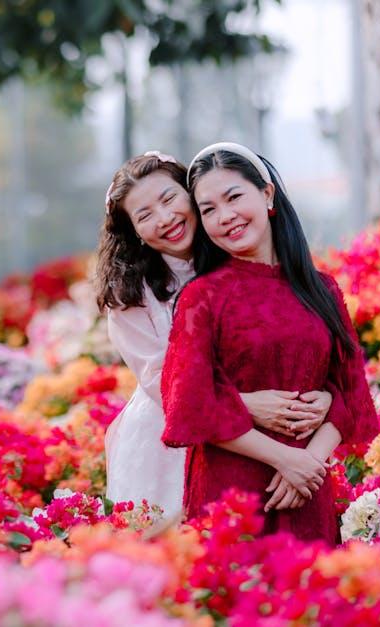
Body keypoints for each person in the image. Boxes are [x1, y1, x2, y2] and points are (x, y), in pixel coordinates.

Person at [94, 150, 332, 520]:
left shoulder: (236, 250)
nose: (165, 218)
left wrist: (319, 396)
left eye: (169, 199)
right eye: (144, 216)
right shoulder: (131, 296)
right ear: (134, 233)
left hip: (252, 436)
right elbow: (163, 381)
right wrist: (249, 404)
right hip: (168, 439)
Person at [160, 142, 380, 542]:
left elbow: (352, 394)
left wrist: (308, 464)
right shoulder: (202, 297)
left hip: (306, 489)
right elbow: (187, 404)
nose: (225, 217)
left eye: (233, 197)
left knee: (312, 599)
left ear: (267, 194)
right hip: (231, 490)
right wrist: (286, 459)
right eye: (208, 209)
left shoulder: (323, 289)